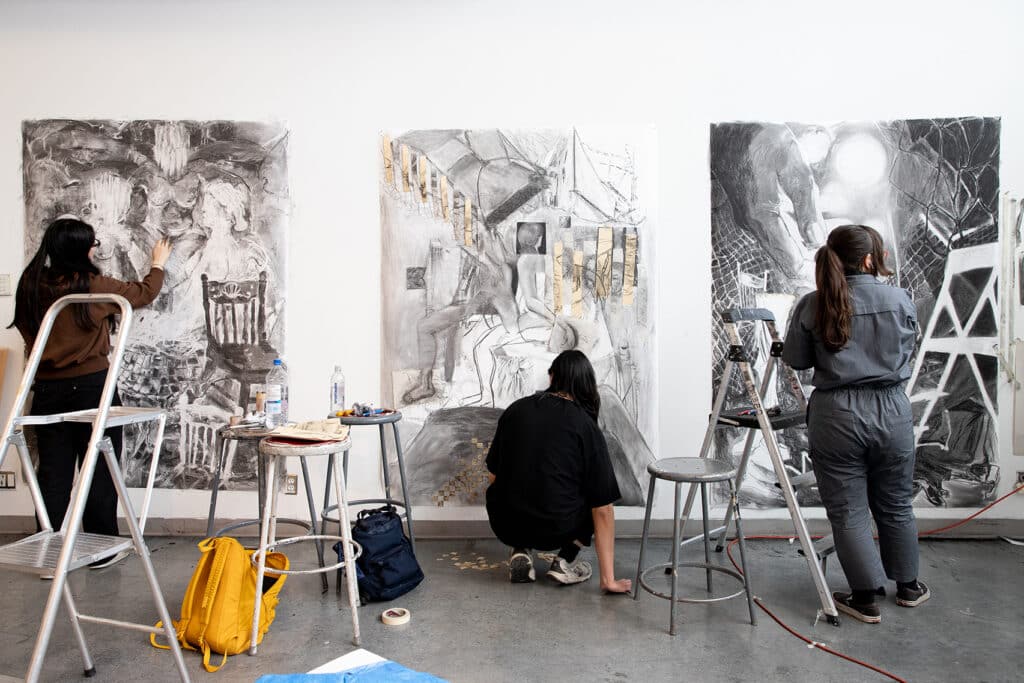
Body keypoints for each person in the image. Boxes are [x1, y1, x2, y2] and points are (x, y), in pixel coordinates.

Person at [782, 224, 929, 624]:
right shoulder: (900, 299)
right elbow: (907, 353)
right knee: (896, 502)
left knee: (848, 511)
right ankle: (910, 587)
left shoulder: (814, 303)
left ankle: (864, 598)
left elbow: (796, 360)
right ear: (868, 259)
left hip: (837, 414)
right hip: (891, 410)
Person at [10, 216, 171, 569]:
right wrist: (157, 264)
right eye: (93, 243)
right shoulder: (91, 285)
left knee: (53, 472)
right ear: (83, 248)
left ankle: (50, 554)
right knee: (98, 465)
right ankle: (102, 550)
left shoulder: (31, 284)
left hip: (48, 388)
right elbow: (143, 293)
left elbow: (25, 329)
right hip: (92, 388)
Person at [485, 350, 631, 593]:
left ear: (552, 377)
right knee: (594, 499)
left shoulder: (515, 410)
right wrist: (609, 580)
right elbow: (603, 509)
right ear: (586, 385)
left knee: (514, 484)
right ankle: (563, 560)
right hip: (558, 528)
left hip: (506, 523)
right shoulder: (585, 425)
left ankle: (521, 549)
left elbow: (493, 477)